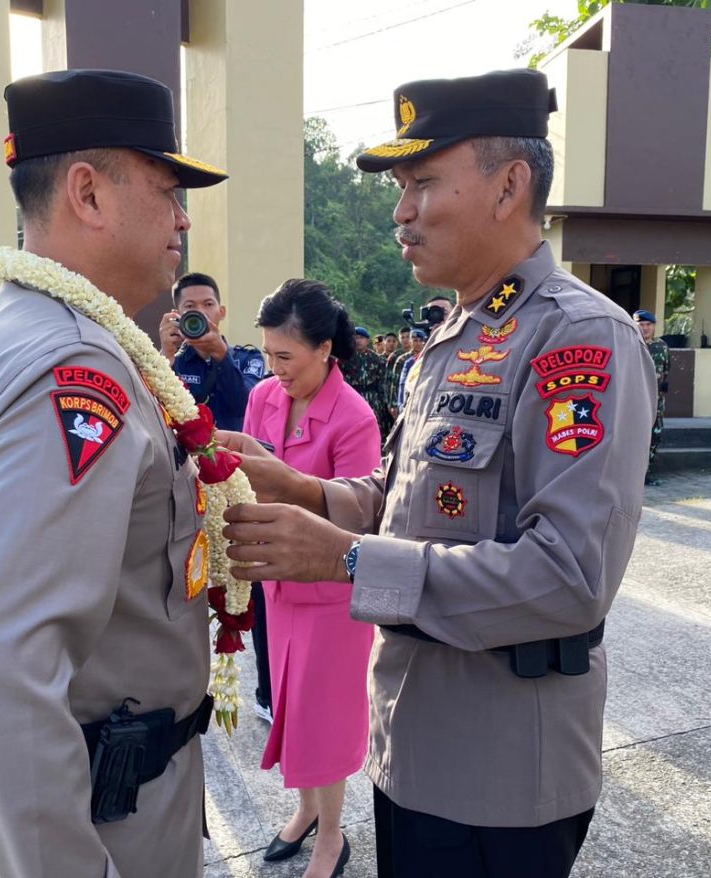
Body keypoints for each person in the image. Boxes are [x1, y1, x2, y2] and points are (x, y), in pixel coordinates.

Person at [220, 68, 655, 878]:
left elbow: (570, 576)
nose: (400, 212)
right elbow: (404, 498)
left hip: (501, 768)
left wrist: (345, 560)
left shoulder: (578, 341)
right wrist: (302, 490)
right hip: (411, 742)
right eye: (400, 188)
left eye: (422, 183)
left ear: (509, 186)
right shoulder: (455, 336)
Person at [0, 69, 228, 877]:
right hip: (97, 832)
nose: (183, 218)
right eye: (168, 189)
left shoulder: (42, 328)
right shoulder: (72, 366)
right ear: (88, 194)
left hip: (114, 804)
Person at [244, 279, 382, 878]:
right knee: (290, 708)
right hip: (277, 586)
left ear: (326, 348)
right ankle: (303, 812)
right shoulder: (263, 399)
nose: (275, 371)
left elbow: (357, 515)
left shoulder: (353, 419)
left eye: (287, 357)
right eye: (268, 355)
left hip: (330, 595)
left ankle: (332, 836)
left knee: (325, 719)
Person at [160, 271, 264, 431]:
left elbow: (244, 406)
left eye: (208, 304)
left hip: (233, 453)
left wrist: (221, 354)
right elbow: (156, 408)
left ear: (221, 312)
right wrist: (166, 355)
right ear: (177, 315)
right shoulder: (174, 360)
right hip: (185, 454)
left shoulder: (247, 358)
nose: (201, 312)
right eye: (190, 306)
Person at [634, 309, 669, 485]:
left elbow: (667, 371)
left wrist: (663, 387)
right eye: (641, 324)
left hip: (656, 402)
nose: (645, 328)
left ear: (654, 326)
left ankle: (646, 473)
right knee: (632, 436)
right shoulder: (630, 344)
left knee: (655, 436)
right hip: (634, 402)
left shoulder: (661, 346)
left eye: (649, 325)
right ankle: (631, 474)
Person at [341, 326, 393, 436]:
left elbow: (382, 382)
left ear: (367, 340)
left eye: (361, 338)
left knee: (375, 428)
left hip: (373, 399)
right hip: (352, 397)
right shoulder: (345, 359)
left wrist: (383, 402)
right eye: (355, 338)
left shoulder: (377, 359)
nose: (358, 340)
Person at [395, 328, 427, 409]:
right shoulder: (406, 361)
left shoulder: (429, 359)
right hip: (410, 399)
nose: (419, 343)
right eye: (415, 340)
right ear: (410, 342)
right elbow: (401, 384)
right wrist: (400, 405)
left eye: (421, 341)